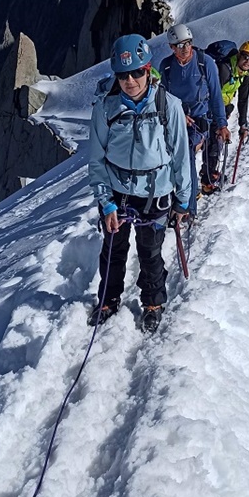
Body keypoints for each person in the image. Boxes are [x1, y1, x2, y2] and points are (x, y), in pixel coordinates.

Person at [86, 34, 191, 333]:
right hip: (117, 191)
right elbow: (97, 159)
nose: (130, 80)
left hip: (155, 191)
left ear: (148, 70)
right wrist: (105, 202)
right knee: (113, 248)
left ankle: (153, 303)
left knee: (150, 251)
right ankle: (108, 299)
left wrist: (184, 200)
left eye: (136, 72)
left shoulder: (168, 105)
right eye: (122, 75)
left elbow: (181, 157)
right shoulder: (106, 108)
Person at [158, 23, 229, 199]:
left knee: (187, 147)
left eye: (188, 43)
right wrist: (179, 114)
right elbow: (162, 97)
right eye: (180, 45)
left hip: (199, 120)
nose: (185, 48)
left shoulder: (205, 63)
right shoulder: (166, 67)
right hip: (175, 119)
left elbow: (215, 95)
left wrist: (221, 124)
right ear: (172, 47)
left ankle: (189, 200)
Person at [213, 40, 249, 143]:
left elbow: (243, 99)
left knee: (215, 145)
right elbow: (213, 95)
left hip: (222, 111)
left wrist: (243, 124)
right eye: (246, 57)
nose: (248, 61)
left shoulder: (245, 74)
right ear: (239, 54)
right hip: (211, 110)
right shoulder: (224, 69)